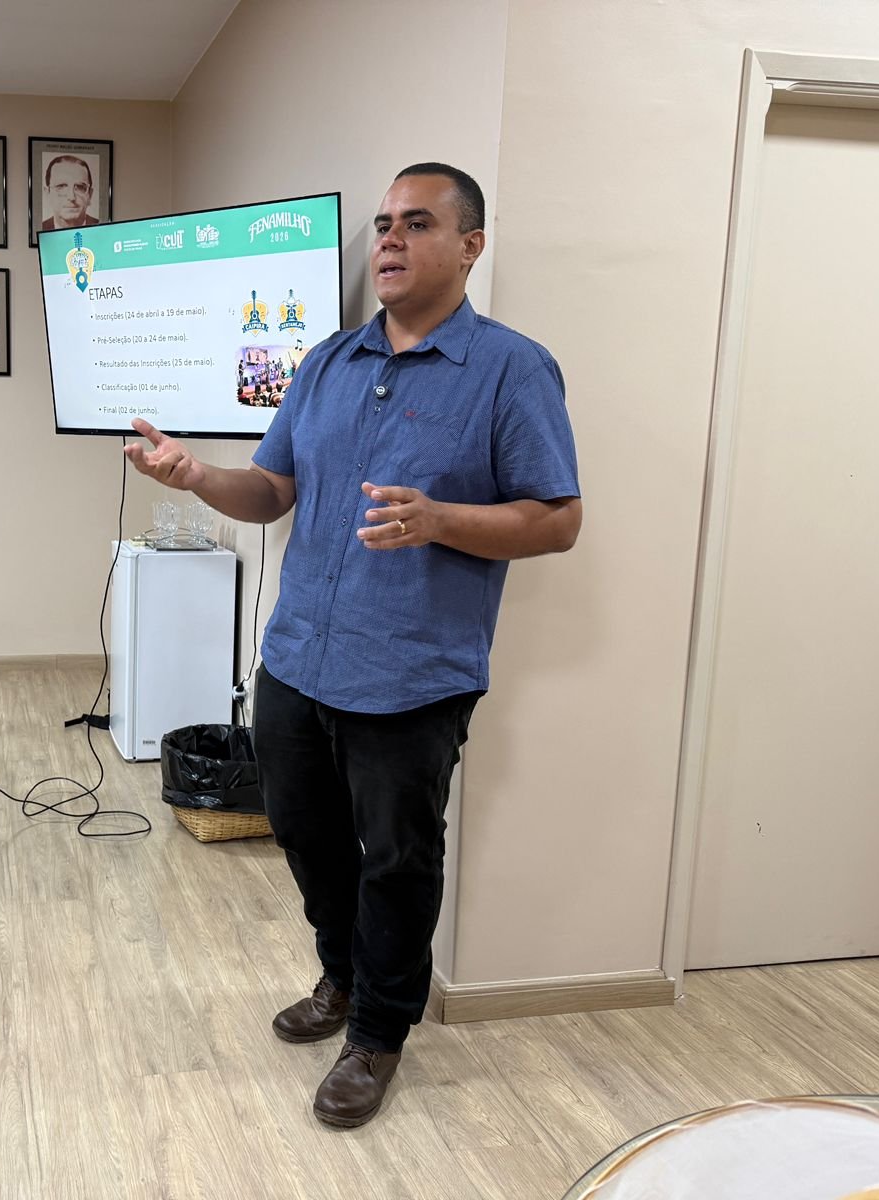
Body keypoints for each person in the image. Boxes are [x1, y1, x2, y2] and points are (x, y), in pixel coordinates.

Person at [125, 163, 581, 1130]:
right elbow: (271, 493)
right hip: (298, 658)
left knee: (398, 862)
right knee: (303, 834)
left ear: (470, 246)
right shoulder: (328, 363)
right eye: (382, 224)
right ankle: (340, 974)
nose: (389, 240)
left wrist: (442, 520)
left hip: (412, 674)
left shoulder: (511, 369)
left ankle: (377, 1032)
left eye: (417, 224)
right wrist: (197, 475)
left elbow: (557, 520)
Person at [39, 154, 98, 231]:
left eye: (80, 187)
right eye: (61, 186)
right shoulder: (39, 230)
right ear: (47, 194)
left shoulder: (101, 228)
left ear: (90, 194)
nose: (71, 197)